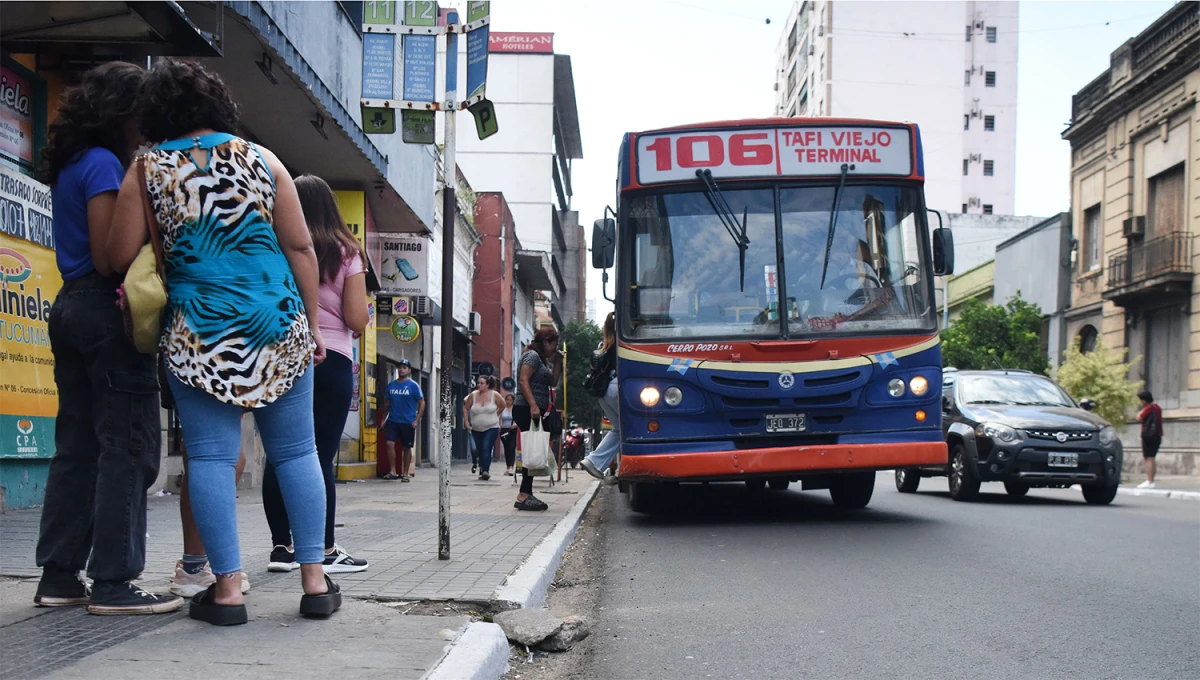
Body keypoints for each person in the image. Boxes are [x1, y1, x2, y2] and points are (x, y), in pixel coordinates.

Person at [107, 58, 339, 625]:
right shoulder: (264, 160)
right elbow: (301, 249)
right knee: (298, 451)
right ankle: (314, 582)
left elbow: (116, 257)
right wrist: (309, 325)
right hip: (276, 322)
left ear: (156, 112)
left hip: (198, 328)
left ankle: (228, 591)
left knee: (210, 457)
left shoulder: (146, 169)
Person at [32, 62, 184, 615]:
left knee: (78, 446)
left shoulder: (75, 161)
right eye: (143, 112)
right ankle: (115, 582)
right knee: (130, 446)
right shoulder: (102, 165)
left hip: (71, 306)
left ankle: (60, 576)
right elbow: (106, 255)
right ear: (124, 111)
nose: (148, 124)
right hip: (104, 308)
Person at [261, 175, 369, 574]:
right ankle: (323, 548)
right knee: (319, 456)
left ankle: (282, 547)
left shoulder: (273, 244)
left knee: (280, 454)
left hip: (285, 353)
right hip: (333, 358)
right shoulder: (346, 253)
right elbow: (357, 319)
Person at [512, 328, 563, 511]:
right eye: (553, 344)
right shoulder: (532, 356)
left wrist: (558, 361)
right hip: (526, 409)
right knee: (531, 449)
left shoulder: (542, 360)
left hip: (533, 410)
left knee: (533, 449)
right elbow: (524, 380)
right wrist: (533, 405)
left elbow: (553, 382)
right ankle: (524, 494)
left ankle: (526, 492)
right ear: (546, 342)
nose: (554, 348)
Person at [581, 314, 621, 483]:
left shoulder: (605, 344)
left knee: (620, 429)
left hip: (603, 391)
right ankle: (621, 469)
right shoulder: (622, 343)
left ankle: (594, 462)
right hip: (616, 388)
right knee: (633, 427)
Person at [383, 360, 424, 481]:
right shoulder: (391, 385)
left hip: (408, 421)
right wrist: (383, 419)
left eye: (404, 367)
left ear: (409, 370)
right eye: (400, 367)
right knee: (389, 443)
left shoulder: (413, 385)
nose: (401, 369)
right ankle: (393, 470)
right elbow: (387, 403)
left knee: (406, 447)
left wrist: (417, 420)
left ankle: (405, 473)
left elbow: (422, 403)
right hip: (393, 420)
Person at [464, 376, 505, 481]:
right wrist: (466, 421)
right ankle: (482, 467)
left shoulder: (494, 395)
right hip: (476, 428)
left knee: (486, 447)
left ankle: (486, 471)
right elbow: (466, 408)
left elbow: (502, 405)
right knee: (479, 449)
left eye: (482, 383)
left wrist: (496, 415)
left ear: (487, 385)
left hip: (491, 427)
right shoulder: (473, 395)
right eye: (478, 383)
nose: (479, 385)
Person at [1136, 391, 1163, 489]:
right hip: (1157, 436)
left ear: (1144, 400)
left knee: (1148, 458)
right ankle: (1151, 480)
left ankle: (1150, 481)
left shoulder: (1148, 408)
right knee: (1152, 457)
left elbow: (1138, 417)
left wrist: (1140, 411)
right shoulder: (1157, 408)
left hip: (1148, 436)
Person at [500, 393, 517, 475]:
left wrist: (515, 425)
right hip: (503, 430)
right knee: (506, 449)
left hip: (512, 430)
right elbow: (499, 418)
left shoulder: (515, 409)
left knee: (511, 447)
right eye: (507, 399)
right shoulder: (502, 408)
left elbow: (518, 418)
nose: (509, 401)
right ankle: (508, 467)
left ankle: (511, 467)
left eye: (511, 400)